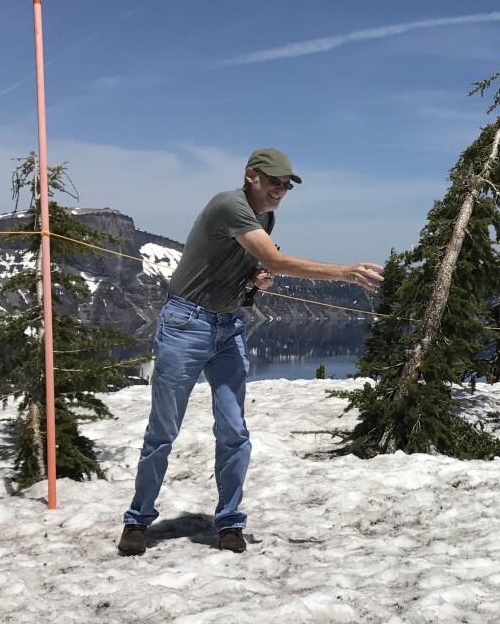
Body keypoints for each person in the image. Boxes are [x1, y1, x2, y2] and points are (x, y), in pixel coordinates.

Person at [117, 148, 383, 556]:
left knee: (234, 432)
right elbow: (273, 256)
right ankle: (137, 520)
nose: (281, 189)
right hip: (187, 324)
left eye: (286, 184)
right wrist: (344, 273)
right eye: (274, 181)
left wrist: (253, 282)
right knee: (163, 430)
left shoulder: (266, 216)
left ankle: (229, 522)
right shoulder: (229, 205)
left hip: (228, 327)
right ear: (250, 176)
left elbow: (249, 266)